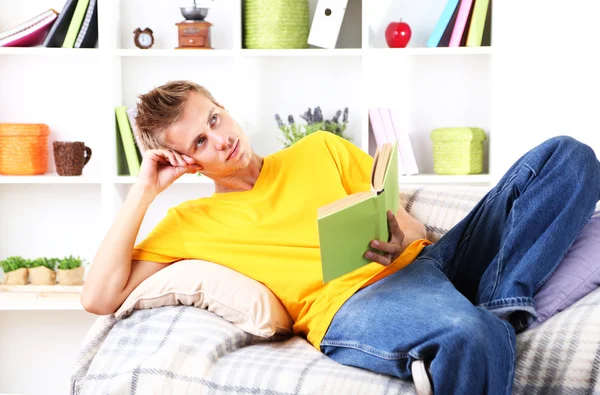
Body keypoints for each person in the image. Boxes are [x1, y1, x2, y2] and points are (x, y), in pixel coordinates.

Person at [81, 80, 600, 395]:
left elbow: (408, 225)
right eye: (200, 141)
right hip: (356, 305)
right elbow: (98, 297)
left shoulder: (320, 148)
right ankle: (488, 322)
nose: (222, 139)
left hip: (428, 265)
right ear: (187, 162)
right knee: (470, 336)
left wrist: (401, 235)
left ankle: (499, 304)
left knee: (567, 157)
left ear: (224, 108)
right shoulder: (192, 221)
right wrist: (143, 190)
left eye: (215, 118)